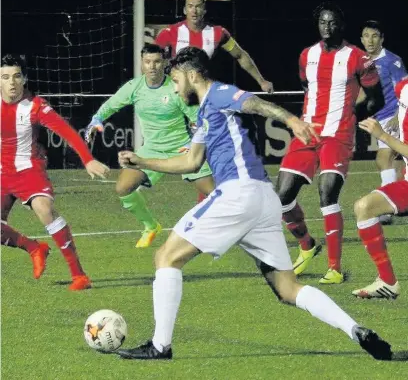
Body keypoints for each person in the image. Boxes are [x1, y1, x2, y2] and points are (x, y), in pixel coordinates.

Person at [115, 47, 392, 361]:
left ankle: (160, 345)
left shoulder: (219, 93)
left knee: (166, 257)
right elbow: (191, 162)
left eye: (176, 80)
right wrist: (141, 160)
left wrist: (292, 120)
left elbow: (255, 103)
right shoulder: (206, 111)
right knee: (287, 288)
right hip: (262, 200)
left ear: (193, 76)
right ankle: (354, 329)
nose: (175, 88)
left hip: (238, 193)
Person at [276, 2, 385, 284]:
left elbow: (377, 98)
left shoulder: (359, 58)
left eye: (333, 22)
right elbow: (307, 87)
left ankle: (334, 269)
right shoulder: (306, 55)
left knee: (327, 194)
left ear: (341, 25)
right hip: (307, 132)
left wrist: (353, 115)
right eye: (323, 22)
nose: (327, 27)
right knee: (282, 197)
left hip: (338, 134)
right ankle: (307, 246)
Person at [85, 44, 215, 249]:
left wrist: (192, 144)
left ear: (164, 63)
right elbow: (111, 104)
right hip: (151, 150)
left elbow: (197, 118)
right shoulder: (134, 87)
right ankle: (151, 226)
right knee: (123, 188)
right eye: (147, 62)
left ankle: (232, 226)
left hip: (182, 148)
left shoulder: (175, 87)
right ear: (141, 63)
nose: (152, 66)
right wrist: (96, 120)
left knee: (212, 192)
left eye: (156, 61)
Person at [0, 54, 110, 290]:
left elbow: (67, 132)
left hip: (29, 169)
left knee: (44, 208)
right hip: (1, 172)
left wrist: (88, 159)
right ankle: (34, 248)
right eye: (5, 77)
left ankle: (79, 276)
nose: (11, 83)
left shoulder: (36, 106)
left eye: (17, 76)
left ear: (25, 78)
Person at [352, 77, 408, 299]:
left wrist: (382, 135)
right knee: (364, 207)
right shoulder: (402, 87)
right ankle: (388, 282)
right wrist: (396, 120)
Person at [155, 0, 274, 94]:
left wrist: (261, 81)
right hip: (177, 92)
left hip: (204, 93)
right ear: (185, 10)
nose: (194, 11)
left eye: (198, 7)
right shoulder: (169, 32)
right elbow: (151, 59)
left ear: (204, 10)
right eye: (190, 6)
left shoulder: (218, 33)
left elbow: (240, 55)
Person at [360, 20, 408, 225]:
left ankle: (386, 213)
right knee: (396, 163)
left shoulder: (392, 61)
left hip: (393, 116)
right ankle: (398, 200)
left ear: (382, 39)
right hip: (380, 117)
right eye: (366, 36)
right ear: (361, 39)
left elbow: (404, 90)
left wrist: (399, 117)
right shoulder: (363, 62)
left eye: (375, 36)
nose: (370, 40)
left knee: (383, 158)